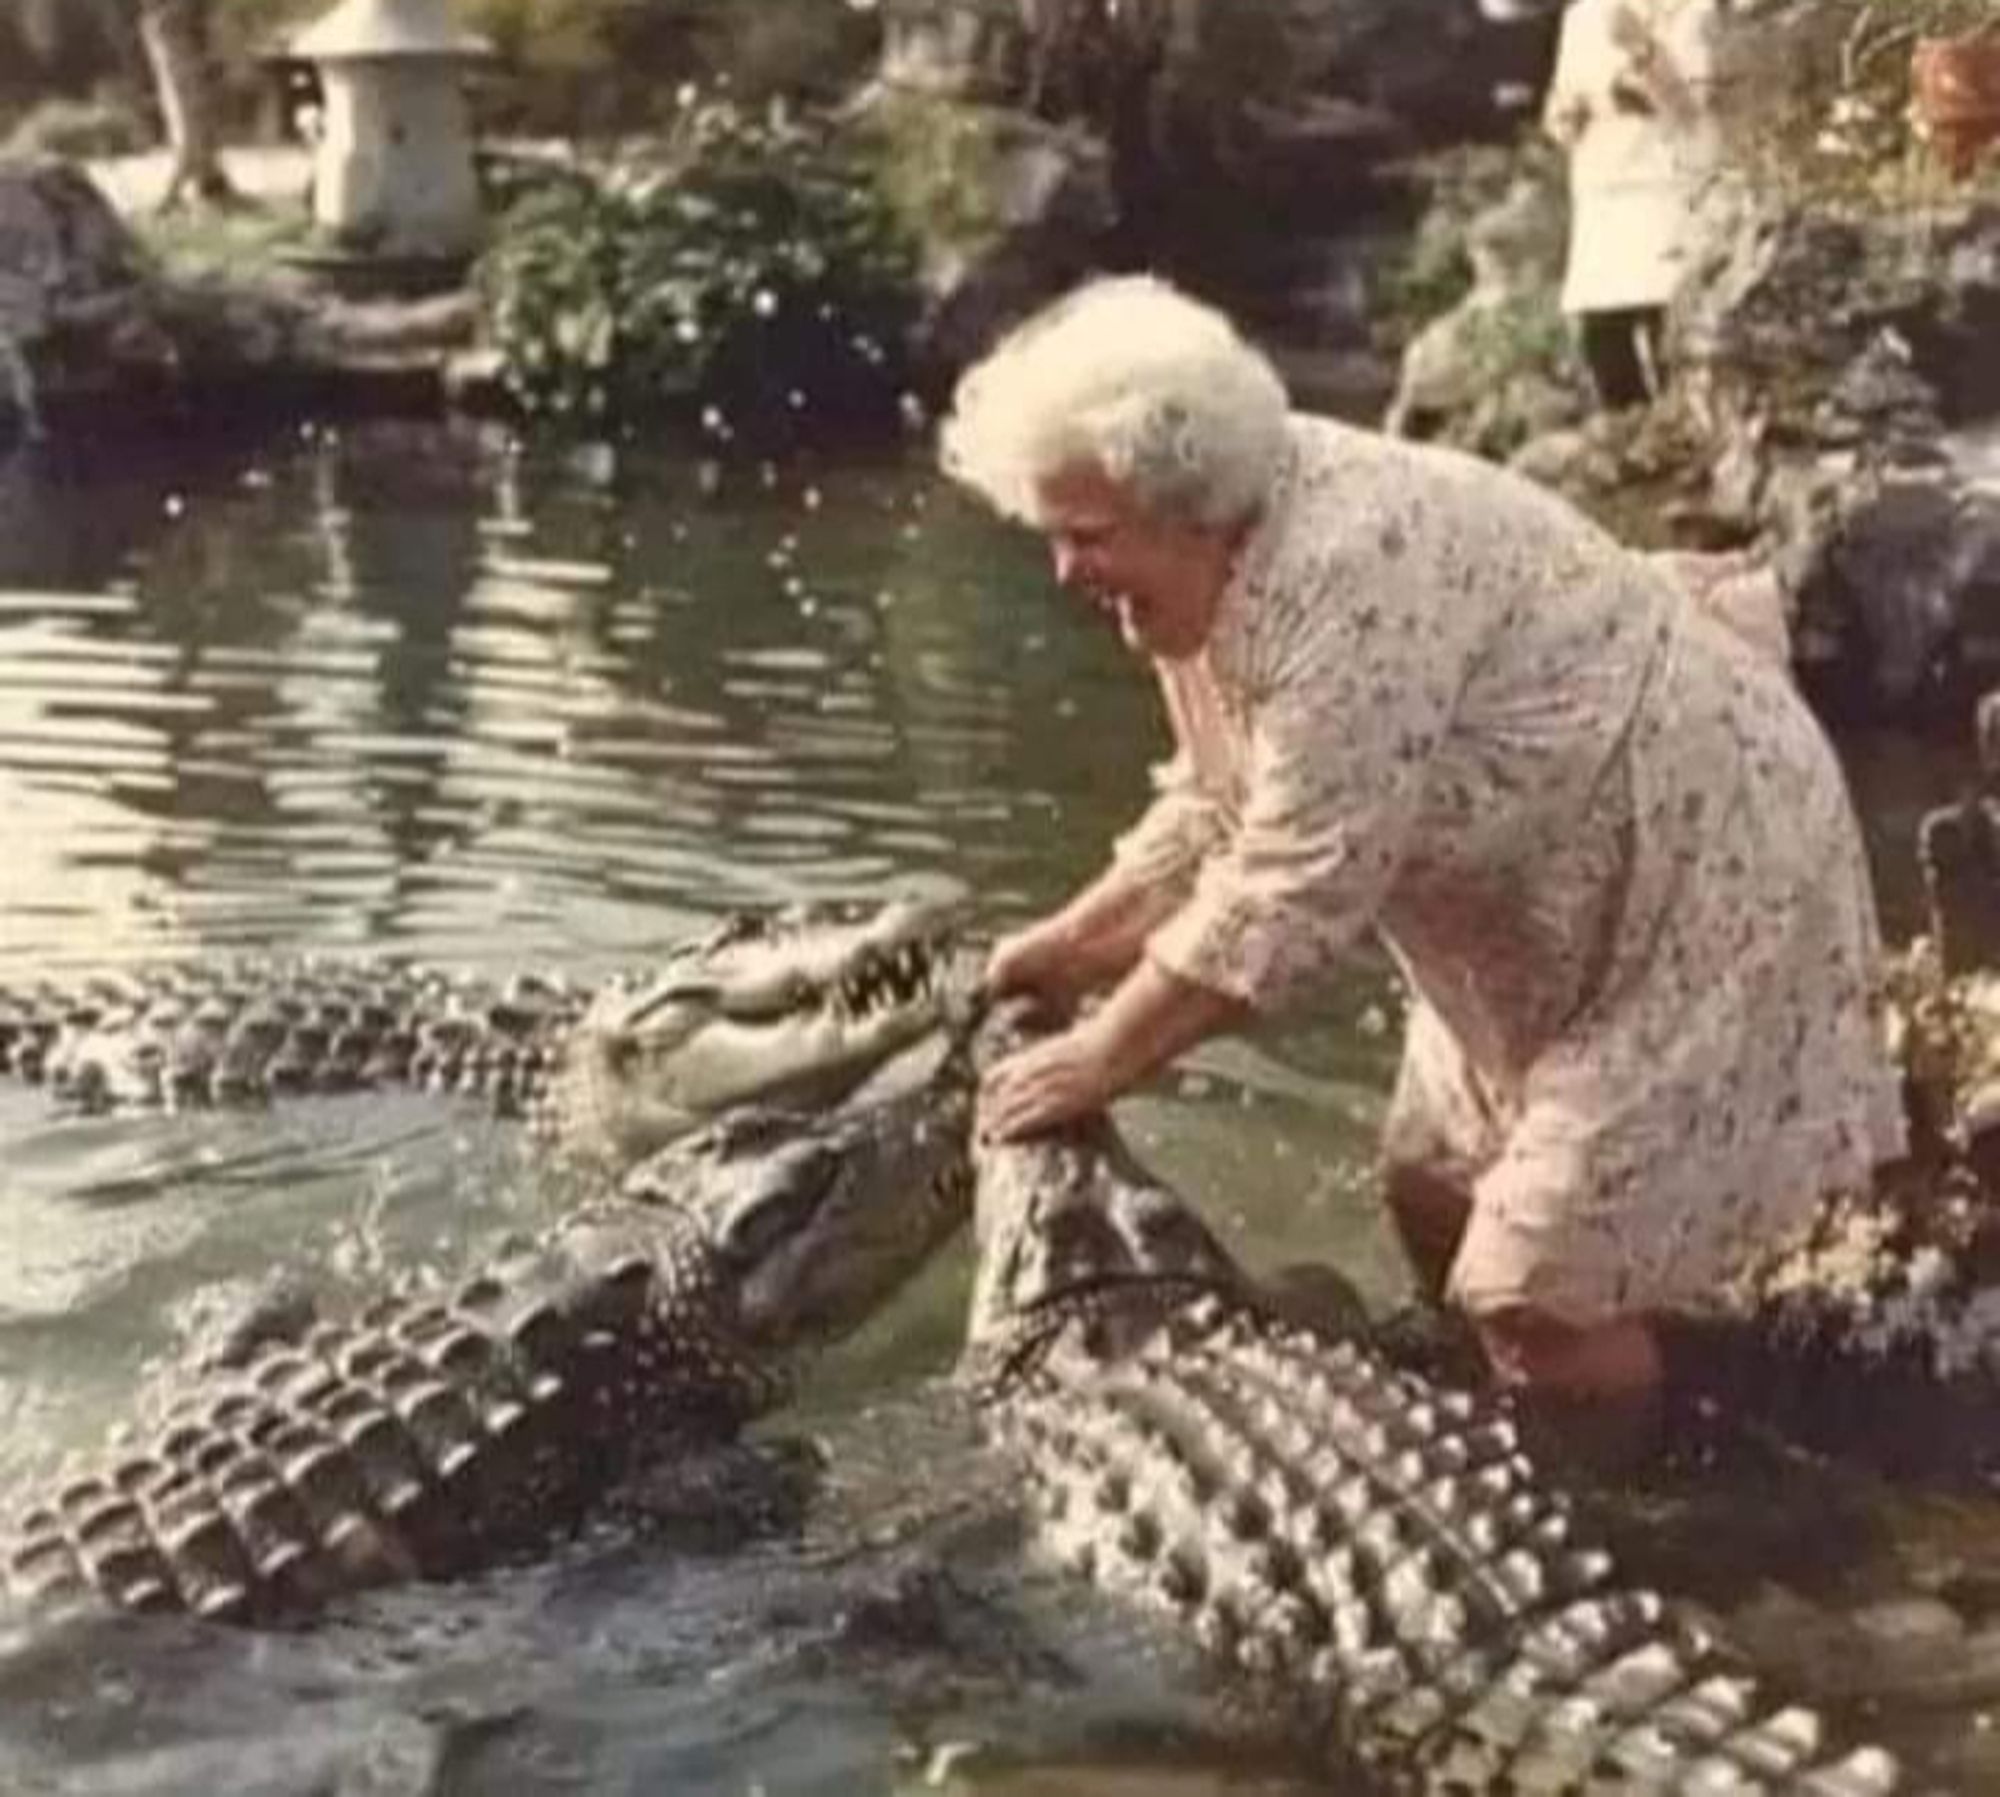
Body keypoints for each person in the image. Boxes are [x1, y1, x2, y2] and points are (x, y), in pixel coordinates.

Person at [945, 274, 1904, 1425]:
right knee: (1432, 1188)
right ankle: (1567, 1391)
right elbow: (1219, 809)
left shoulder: (1341, 576)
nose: (1063, 571)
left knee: (1531, 1290)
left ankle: (1650, 1513)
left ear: (1181, 501)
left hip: (1697, 867)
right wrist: (1064, 945)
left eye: (1084, 537)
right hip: (1537, 881)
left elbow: (1291, 891)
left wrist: (1100, 1057)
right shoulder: (1203, 559)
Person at [1542, 0, 1726, 409]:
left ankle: (1686, 429)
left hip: (1665, 186)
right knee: (1603, 333)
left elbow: (1690, 107)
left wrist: (1642, 49)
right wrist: (1564, 117)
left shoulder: (1695, 11)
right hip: (1603, 191)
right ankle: (1632, 434)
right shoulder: (1581, 18)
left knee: (1670, 322)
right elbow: (1559, 105)